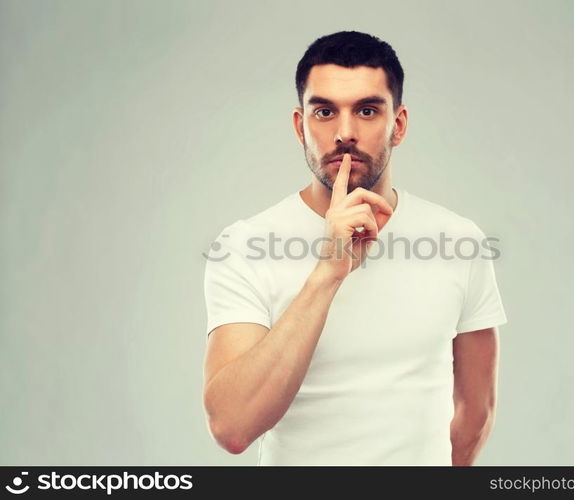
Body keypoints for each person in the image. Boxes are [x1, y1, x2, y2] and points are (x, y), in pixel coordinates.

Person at [202, 30, 508, 466]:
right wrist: (328, 272)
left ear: (397, 125)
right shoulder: (243, 245)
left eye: (367, 110)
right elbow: (231, 427)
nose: (345, 132)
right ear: (299, 125)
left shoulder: (459, 241)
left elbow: (475, 413)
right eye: (324, 111)